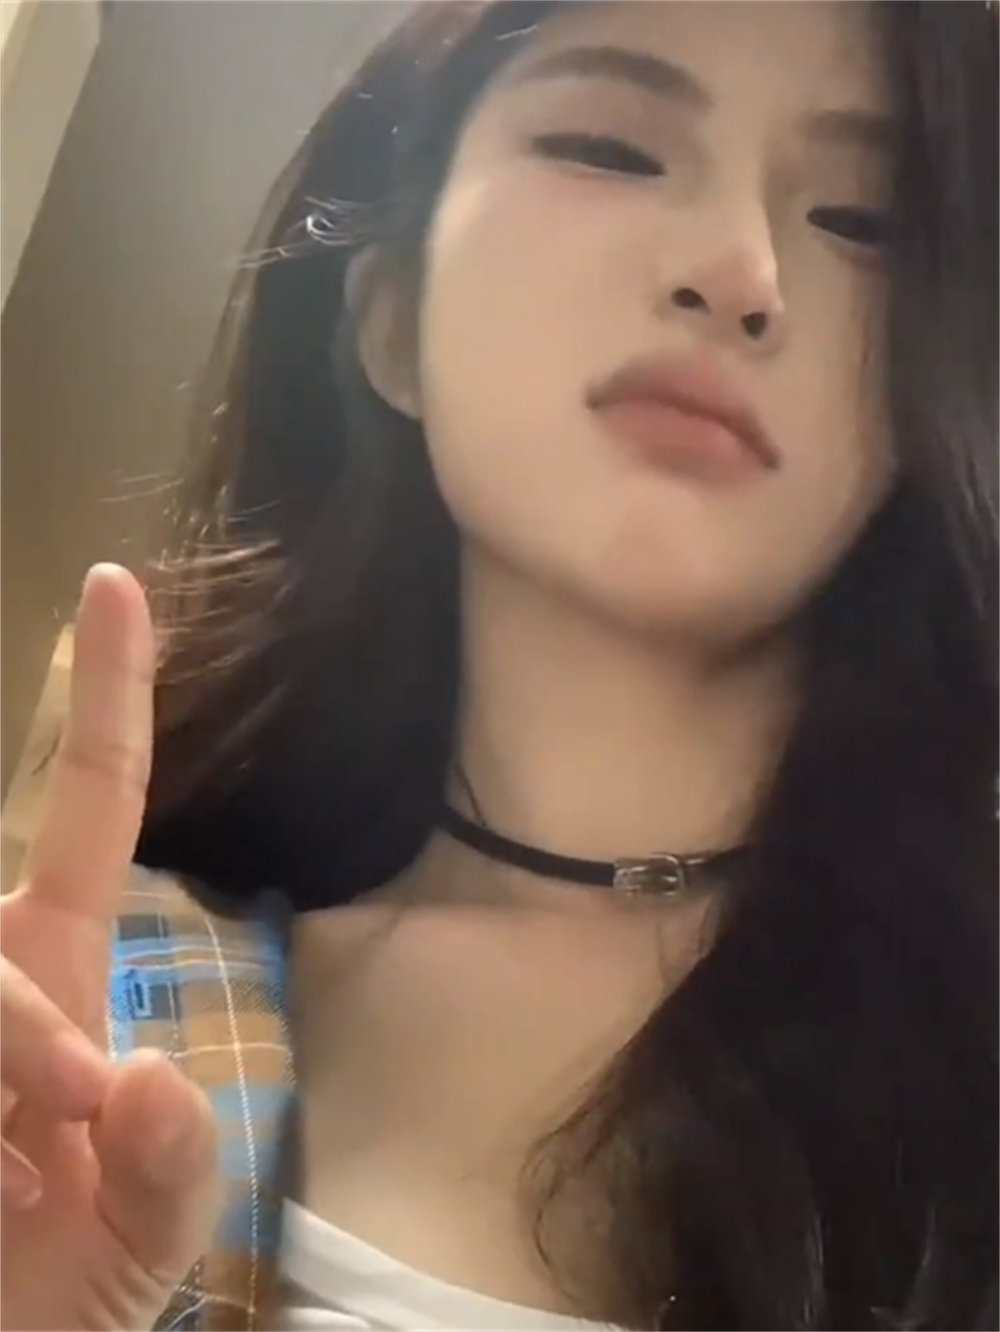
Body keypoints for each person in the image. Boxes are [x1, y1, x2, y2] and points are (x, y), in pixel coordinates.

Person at [1, 2, 996, 1328]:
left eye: (862, 221)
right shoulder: (108, 1019)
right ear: (390, 321)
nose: (739, 269)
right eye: (611, 146)